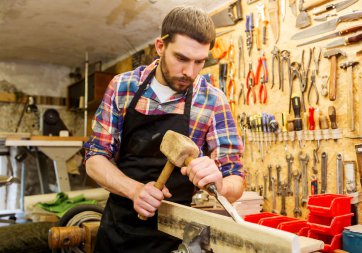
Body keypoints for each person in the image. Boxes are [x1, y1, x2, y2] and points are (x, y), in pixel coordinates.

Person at [84, 5, 244, 253]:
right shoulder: (123, 86)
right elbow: (95, 158)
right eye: (181, 58)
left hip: (176, 237)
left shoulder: (213, 100)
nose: (189, 72)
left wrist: (220, 185)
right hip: (119, 230)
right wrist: (135, 190)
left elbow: (235, 179)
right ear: (160, 47)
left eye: (199, 61)